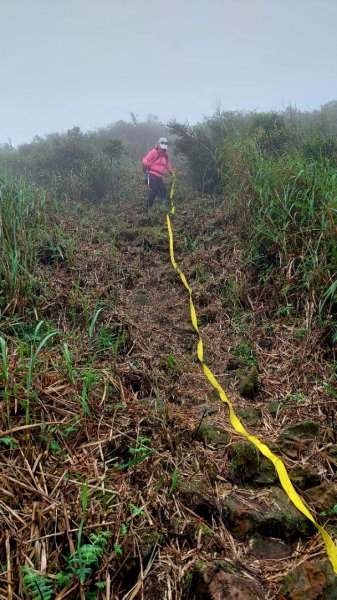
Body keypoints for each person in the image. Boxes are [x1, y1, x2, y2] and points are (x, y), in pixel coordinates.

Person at [142, 137, 173, 209]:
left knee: (163, 189)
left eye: (164, 148)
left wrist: (171, 172)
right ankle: (148, 207)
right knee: (155, 189)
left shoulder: (165, 155)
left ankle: (163, 207)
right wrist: (148, 163)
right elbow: (145, 159)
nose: (163, 149)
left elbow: (167, 164)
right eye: (162, 148)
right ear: (158, 145)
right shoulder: (154, 152)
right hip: (151, 174)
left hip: (159, 176)